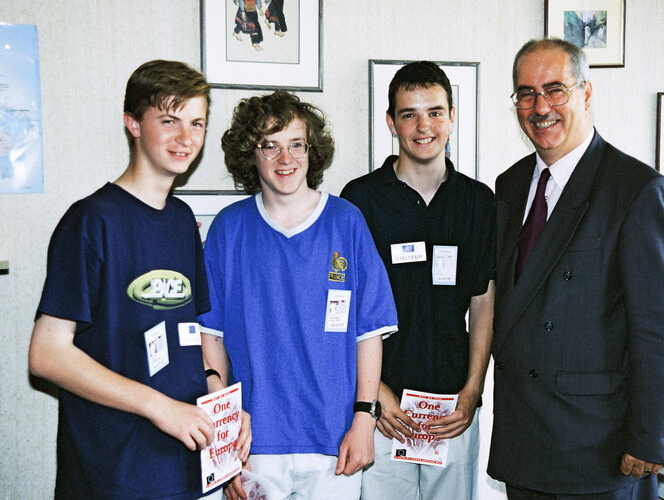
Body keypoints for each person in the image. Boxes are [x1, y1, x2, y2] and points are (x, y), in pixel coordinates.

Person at [28, 59, 251, 500]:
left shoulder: (183, 220)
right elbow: (47, 355)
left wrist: (224, 410)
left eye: (196, 123)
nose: (185, 138)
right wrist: (158, 406)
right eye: (169, 121)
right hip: (113, 470)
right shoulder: (91, 221)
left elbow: (188, 341)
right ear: (132, 122)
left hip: (181, 470)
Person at [489, 38, 664, 499]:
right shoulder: (510, 185)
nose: (540, 107)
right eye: (526, 93)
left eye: (555, 89)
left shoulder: (637, 190)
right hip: (524, 442)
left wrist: (651, 435)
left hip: (599, 447)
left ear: (586, 93)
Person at [199, 91, 398, 500]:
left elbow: (369, 333)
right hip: (254, 442)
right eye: (268, 146)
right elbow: (210, 336)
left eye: (295, 144)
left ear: (312, 150)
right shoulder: (228, 229)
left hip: (335, 438)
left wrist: (364, 420)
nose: (284, 159)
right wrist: (224, 437)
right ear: (249, 154)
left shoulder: (347, 221)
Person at [341, 61, 496, 500]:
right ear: (391, 122)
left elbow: (484, 299)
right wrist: (375, 396)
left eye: (434, 112)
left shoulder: (478, 202)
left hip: (452, 409)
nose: (423, 126)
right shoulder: (360, 201)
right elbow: (344, 307)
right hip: (382, 411)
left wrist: (472, 390)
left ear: (452, 117)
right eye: (409, 114)